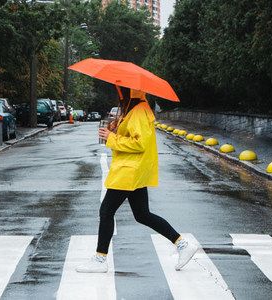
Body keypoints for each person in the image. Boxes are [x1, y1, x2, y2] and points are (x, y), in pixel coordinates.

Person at [76, 89, 199, 273]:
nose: (118, 95)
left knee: (106, 211)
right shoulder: (135, 110)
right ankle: (182, 244)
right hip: (133, 169)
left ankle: (100, 259)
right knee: (142, 214)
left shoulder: (140, 111)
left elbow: (139, 143)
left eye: (120, 91)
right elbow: (133, 137)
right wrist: (115, 129)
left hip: (129, 171)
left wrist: (112, 138)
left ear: (129, 92)